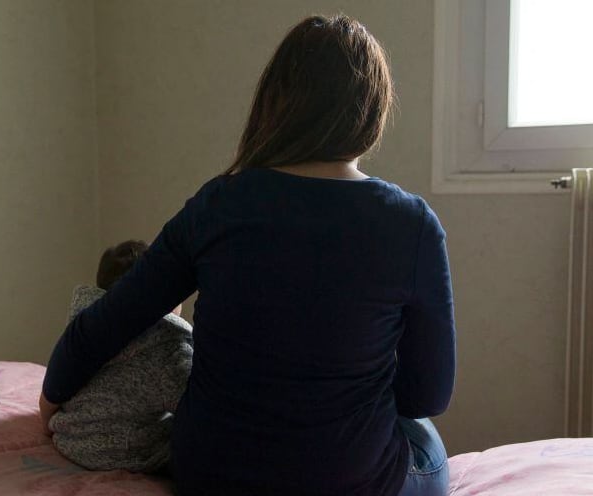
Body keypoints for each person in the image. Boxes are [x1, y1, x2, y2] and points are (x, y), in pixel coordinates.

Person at [41, 14, 455, 496]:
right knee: (424, 434)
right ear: (371, 111)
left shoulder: (218, 205)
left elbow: (107, 321)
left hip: (211, 474)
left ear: (275, 105)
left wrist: (48, 407)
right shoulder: (411, 224)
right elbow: (429, 393)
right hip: (346, 480)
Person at [47, 240, 192, 473]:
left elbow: (56, 383)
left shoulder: (83, 329)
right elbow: (196, 405)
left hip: (71, 441)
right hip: (126, 454)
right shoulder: (167, 347)